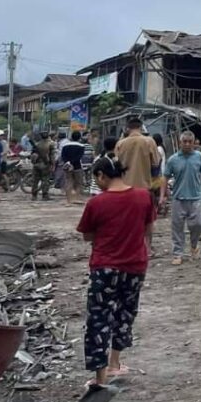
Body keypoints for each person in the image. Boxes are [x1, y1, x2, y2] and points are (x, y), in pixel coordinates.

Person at [76, 155, 154, 388]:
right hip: (135, 266)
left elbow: (87, 235)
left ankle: (100, 378)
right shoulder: (144, 196)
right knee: (125, 315)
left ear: (101, 175)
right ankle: (115, 363)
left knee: (99, 319)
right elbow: (149, 228)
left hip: (105, 268)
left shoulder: (97, 203)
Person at [161, 131, 201, 266]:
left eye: (190, 142)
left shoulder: (199, 157)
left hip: (196, 197)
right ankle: (178, 253)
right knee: (177, 227)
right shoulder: (173, 159)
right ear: (180, 143)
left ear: (194, 143)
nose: (187, 144)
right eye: (185, 142)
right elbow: (165, 177)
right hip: (178, 198)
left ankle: (194, 245)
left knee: (199, 223)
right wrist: (162, 195)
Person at [114, 117, 160, 190]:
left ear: (127, 128)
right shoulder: (150, 142)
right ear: (141, 127)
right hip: (144, 187)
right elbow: (156, 164)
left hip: (125, 187)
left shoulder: (120, 144)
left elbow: (116, 165)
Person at [61, 131, 87, 206]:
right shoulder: (81, 146)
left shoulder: (65, 145)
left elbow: (63, 156)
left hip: (67, 166)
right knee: (79, 182)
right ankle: (76, 198)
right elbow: (79, 157)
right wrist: (72, 162)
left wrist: (68, 162)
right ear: (79, 138)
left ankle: (68, 200)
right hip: (77, 166)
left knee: (68, 182)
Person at [31, 131, 56, 202]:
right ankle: (45, 195)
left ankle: (34, 195)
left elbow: (32, 154)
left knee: (35, 180)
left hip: (36, 164)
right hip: (45, 164)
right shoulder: (51, 144)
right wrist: (53, 164)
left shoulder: (37, 144)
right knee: (45, 180)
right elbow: (52, 155)